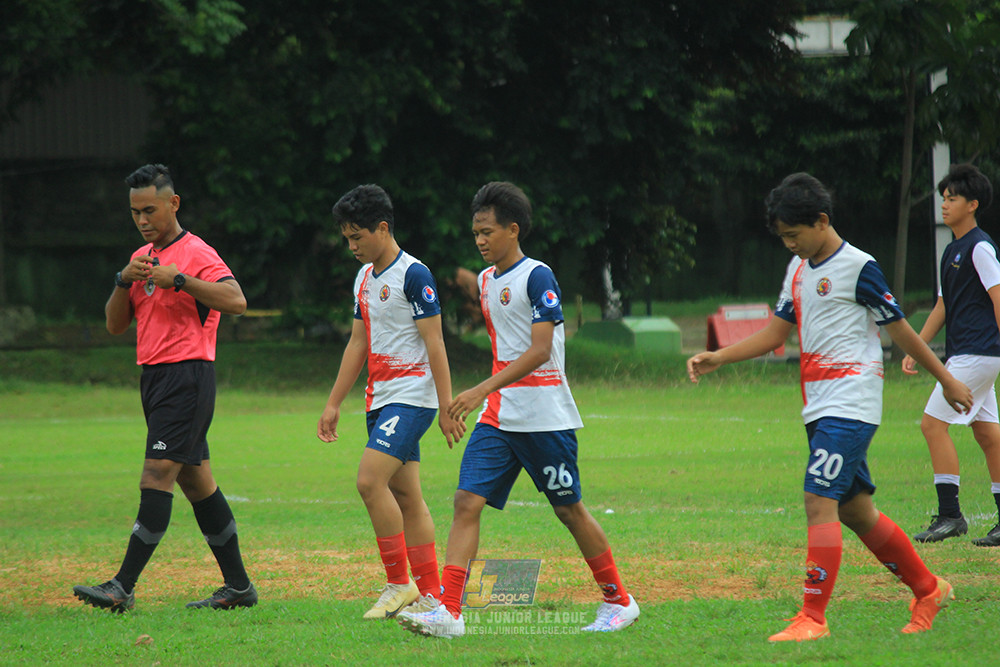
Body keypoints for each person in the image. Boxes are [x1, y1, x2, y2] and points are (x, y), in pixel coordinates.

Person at [686, 172, 973, 642]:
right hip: (818, 408)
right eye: (782, 237)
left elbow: (898, 329)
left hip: (852, 402)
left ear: (821, 221)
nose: (788, 245)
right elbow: (778, 335)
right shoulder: (798, 271)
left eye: (793, 235)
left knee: (817, 498)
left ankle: (812, 618)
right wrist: (720, 355)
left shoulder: (860, 267)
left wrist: (946, 379)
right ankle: (928, 589)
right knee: (856, 511)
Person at [397, 181, 640, 638]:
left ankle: (619, 601)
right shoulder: (487, 281)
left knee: (569, 511)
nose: (480, 240)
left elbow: (540, 350)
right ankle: (450, 611)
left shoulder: (538, 276)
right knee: (466, 501)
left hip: (544, 417)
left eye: (487, 231)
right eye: (475, 233)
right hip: (499, 418)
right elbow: (502, 348)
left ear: (513, 229)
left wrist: (477, 390)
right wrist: (485, 397)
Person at [73, 164, 256, 612]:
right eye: (135, 212)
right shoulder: (141, 259)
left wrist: (178, 279)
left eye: (149, 209)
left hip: (187, 376)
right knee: (198, 483)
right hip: (154, 380)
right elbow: (116, 326)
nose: (142, 219)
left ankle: (123, 586)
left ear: (173, 203)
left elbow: (236, 301)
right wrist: (123, 280)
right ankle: (238, 588)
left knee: (156, 475)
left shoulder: (195, 252)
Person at [317, 184, 465, 620]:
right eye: (347, 238)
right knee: (407, 495)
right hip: (379, 399)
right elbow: (358, 343)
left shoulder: (415, 274)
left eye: (358, 236)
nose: (352, 246)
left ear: (383, 228)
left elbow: (435, 342)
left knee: (368, 481)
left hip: (412, 398)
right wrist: (334, 402)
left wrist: (444, 406)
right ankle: (431, 593)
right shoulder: (364, 278)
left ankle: (399, 583)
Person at [903, 163, 1000, 547]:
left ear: (972, 205)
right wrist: (918, 348)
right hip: (971, 354)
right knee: (988, 434)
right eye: (942, 198)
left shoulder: (979, 247)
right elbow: (943, 306)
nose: (944, 205)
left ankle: (950, 516)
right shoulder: (951, 251)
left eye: (952, 198)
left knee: (932, 425)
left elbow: (997, 298)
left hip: (977, 353)